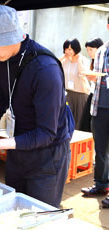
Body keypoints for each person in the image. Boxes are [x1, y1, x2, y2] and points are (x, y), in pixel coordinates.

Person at [0, 5, 71, 208]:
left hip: (48, 154)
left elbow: (46, 133)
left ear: (14, 37)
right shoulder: (0, 60)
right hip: (18, 146)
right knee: (14, 209)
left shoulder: (45, 69)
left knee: (39, 216)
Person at [81, 18, 109, 209]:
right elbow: (97, 82)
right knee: (100, 150)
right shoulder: (102, 50)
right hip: (99, 107)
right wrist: (93, 79)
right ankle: (101, 185)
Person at [59, 38, 90, 130]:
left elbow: (83, 73)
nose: (67, 51)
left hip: (81, 94)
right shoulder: (65, 61)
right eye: (66, 49)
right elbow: (54, 65)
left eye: (70, 49)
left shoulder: (83, 60)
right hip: (68, 93)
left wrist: (79, 59)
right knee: (66, 119)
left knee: (79, 121)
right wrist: (63, 57)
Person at [80, 37, 104, 132]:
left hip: (101, 97)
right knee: (85, 124)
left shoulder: (104, 61)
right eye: (87, 50)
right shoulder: (93, 62)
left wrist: (96, 79)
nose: (89, 52)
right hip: (92, 94)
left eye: (91, 50)